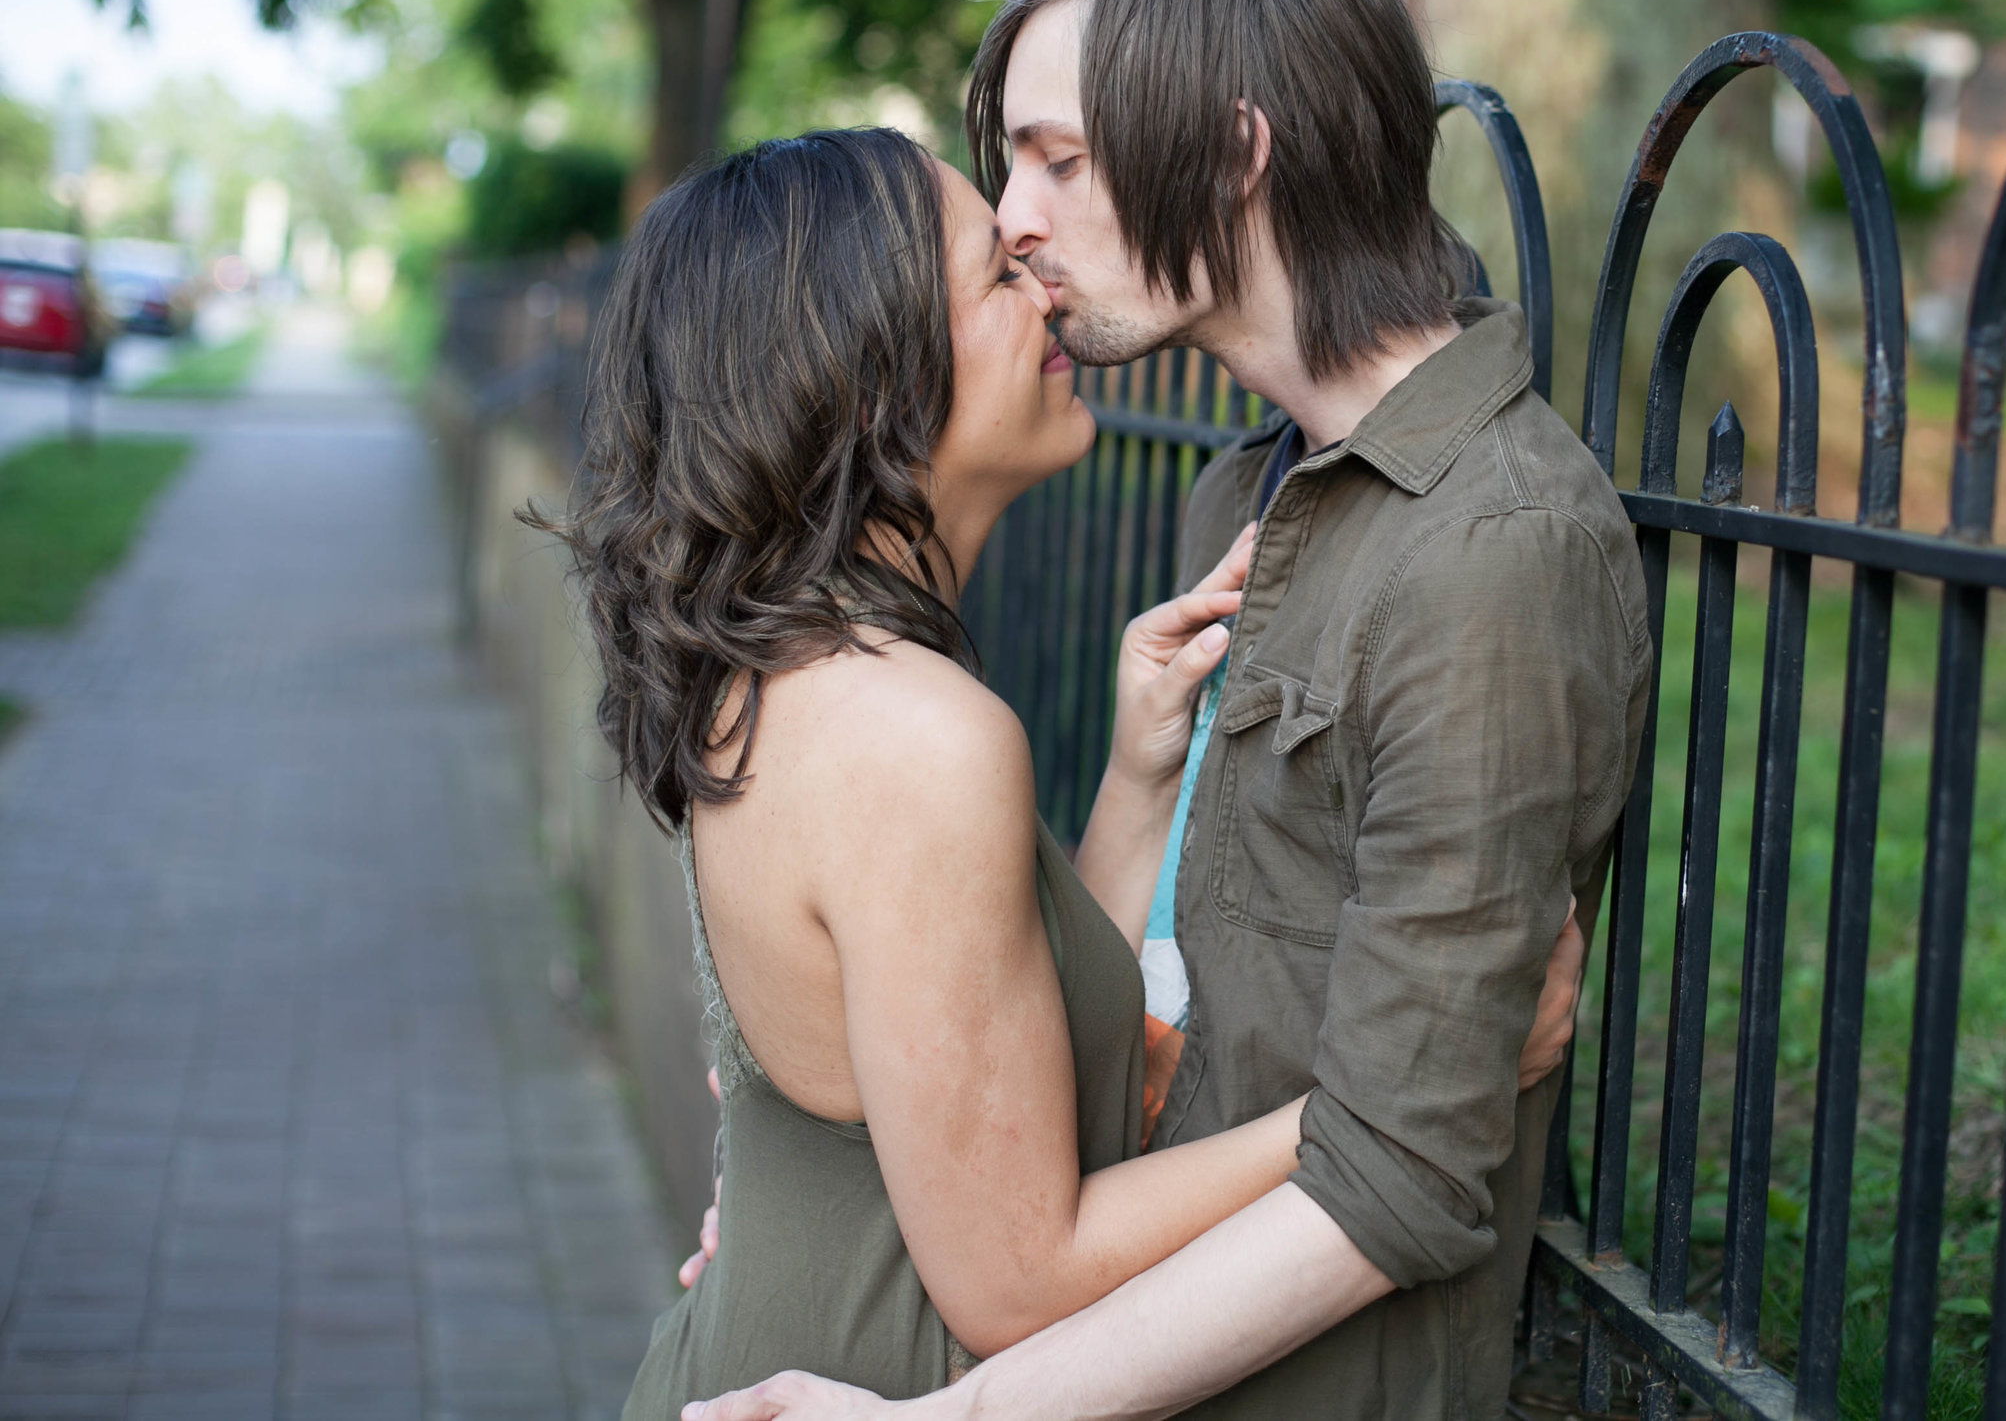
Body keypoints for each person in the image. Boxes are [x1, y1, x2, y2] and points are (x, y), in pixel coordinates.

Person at [685, 0, 1650, 1421]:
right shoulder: (1241, 493)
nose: (1012, 215)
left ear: (1232, 154)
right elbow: (1147, 1018)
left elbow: (1400, 1176)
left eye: (1059, 160)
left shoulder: (1496, 545)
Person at [548, 128, 1583, 1416]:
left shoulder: (790, 671)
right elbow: (1023, 1279)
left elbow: (987, 1056)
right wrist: (1415, 1092)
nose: (1043, 285)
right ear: (874, 384)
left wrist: (1138, 776)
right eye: (993, 275)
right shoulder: (911, 736)